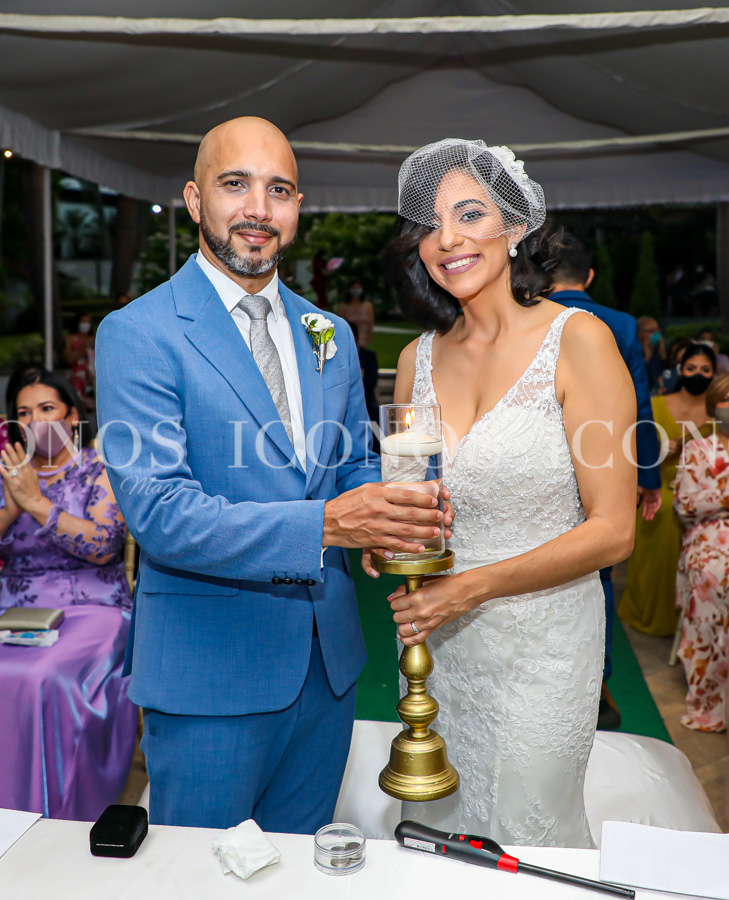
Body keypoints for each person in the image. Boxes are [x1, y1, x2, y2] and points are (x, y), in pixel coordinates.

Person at [95, 117, 450, 832]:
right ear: (196, 201)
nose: (258, 208)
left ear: (296, 207)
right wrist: (328, 525)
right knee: (200, 881)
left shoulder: (328, 334)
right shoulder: (140, 332)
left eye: (278, 189)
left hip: (328, 674)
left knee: (298, 874)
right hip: (209, 680)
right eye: (236, 184)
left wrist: (383, 525)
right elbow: (161, 514)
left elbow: (347, 464)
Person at [378, 139, 636, 848]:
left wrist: (468, 589)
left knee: (528, 830)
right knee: (443, 827)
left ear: (515, 227)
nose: (448, 239)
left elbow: (613, 530)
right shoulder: (415, 360)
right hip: (443, 649)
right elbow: (413, 501)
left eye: (469, 215)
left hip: (543, 644)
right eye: (429, 225)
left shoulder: (576, 340)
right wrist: (388, 539)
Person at [0, 369, 136, 819]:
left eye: (47, 409)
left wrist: (37, 502)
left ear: (73, 416)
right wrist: (14, 501)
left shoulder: (101, 470)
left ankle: (48, 814)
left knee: (43, 676)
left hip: (92, 609)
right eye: (24, 412)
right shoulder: (7, 474)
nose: (36, 421)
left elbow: (103, 547)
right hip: (13, 611)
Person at [549, 232, 661, 729]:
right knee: (597, 568)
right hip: (606, 466)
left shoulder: (531, 321)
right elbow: (639, 404)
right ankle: (599, 677)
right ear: (590, 276)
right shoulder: (619, 323)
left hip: (546, 469)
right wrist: (648, 477)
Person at [620, 343, 717, 635]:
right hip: (662, 485)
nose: (697, 374)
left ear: (714, 373)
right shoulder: (657, 405)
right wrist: (662, 448)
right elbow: (634, 451)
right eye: (691, 368)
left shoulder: (719, 412)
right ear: (681, 370)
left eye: (705, 370)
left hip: (705, 491)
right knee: (661, 518)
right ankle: (652, 611)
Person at [673, 374, 729, 733]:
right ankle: (710, 702)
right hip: (708, 542)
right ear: (714, 407)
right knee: (713, 575)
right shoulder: (698, 448)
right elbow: (684, 504)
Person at [65, 312, 96, 413]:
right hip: (78, 379)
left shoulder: (95, 338)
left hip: (93, 378)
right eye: (83, 322)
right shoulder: (71, 338)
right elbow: (68, 360)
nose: (86, 324)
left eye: (88, 322)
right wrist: (83, 349)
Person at [338, 279, 375, 348]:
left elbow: (370, 325)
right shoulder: (343, 307)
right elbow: (341, 326)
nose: (356, 290)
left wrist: (368, 340)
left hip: (363, 343)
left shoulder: (368, 306)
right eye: (354, 288)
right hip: (349, 342)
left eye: (358, 288)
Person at [637, 316, 667, 394]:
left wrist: (662, 353)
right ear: (639, 333)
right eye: (651, 331)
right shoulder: (633, 352)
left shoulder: (659, 349)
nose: (656, 334)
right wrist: (647, 358)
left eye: (657, 330)